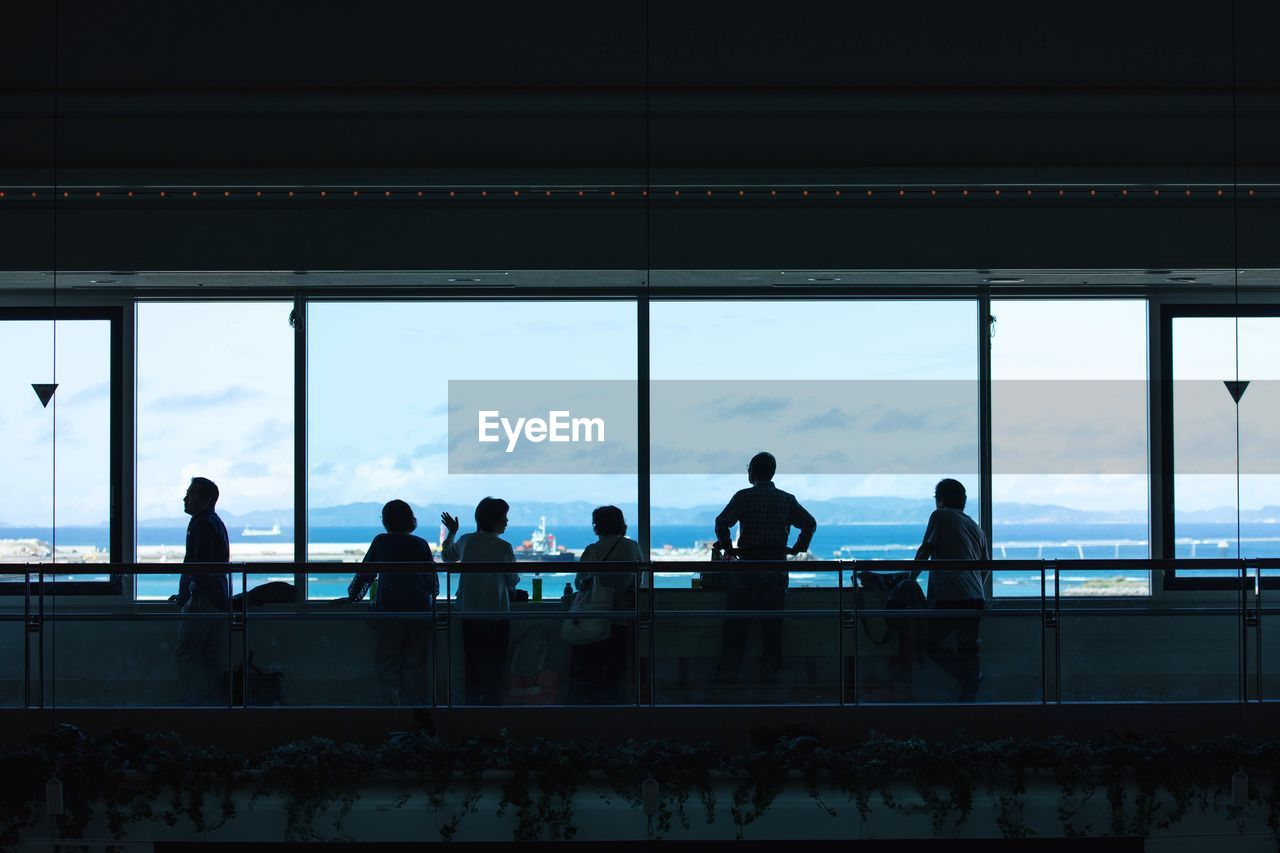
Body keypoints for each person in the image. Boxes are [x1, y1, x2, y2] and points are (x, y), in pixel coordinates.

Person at [712, 452, 817, 687]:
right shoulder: (786, 499)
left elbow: (721, 522)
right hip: (775, 566)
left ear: (751, 472)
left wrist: (729, 548)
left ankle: (729, 675)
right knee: (772, 625)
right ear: (772, 472)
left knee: (737, 624)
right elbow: (809, 523)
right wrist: (796, 549)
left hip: (747, 565)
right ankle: (769, 677)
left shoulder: (743, 497)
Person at [348, 500, 438, 705]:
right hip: (420, 611)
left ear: (386, 520)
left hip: (390, 609)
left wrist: (352, 597)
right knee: (415, 664)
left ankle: (392, 705)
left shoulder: (381, 542)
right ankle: (417, 710)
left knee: (388, 662)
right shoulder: (421, 544)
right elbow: (432, 584)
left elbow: (365, 574)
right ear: (410, 520)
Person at [912, 478, 991, 702]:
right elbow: (986, 566)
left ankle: (969, 680)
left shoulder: (940, 516)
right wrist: (974, 587)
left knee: (930, 643)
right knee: (968, 648)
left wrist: (910, 580)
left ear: (941, 499)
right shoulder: (977, 528)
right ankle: (969, 698)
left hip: (951, 595)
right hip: (975, 596)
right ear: (964, 501)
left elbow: (925, 549)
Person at [441, 497, 519, 705]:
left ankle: (472, 711)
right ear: (496, 521)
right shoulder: (504, 547)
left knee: (473, 665)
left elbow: (446, 557)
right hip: (497, 615)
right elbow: (512, 580)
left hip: (469, 613)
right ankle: (493, 712)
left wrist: (452, 532)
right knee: (496, 666)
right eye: (504, 518)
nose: (506, 522)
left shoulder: (466, 540)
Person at [569, 506, 644, 705]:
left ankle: (594, 710)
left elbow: (580, 583)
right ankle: (618, 708)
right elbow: (639, 579)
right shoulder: (633, 546)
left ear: (597, 525)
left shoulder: (593, 550)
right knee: (617, 669)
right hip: (623, 616)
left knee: (593, 668)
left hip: (596, 617)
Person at [172, 476, 230, 704]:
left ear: (206, 500)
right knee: (209, 655)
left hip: (203, 599)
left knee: (186, 653)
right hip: (217, 598)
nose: (185, 499)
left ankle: (190, 700)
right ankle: (211, 701)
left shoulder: (201, 523)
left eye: (191, 494)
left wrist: (189, 596)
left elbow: (198, 565)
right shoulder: (213, 521)